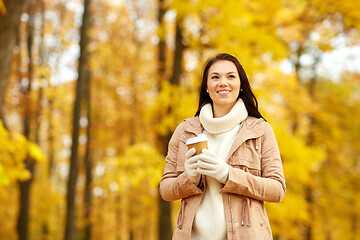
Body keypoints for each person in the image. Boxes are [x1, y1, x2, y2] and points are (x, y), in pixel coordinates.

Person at [159, 53, 286, 240]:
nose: (223, 82)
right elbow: (166, 190)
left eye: (231, 76)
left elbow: (277, 190)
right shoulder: (185, 130)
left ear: (241, 85)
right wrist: (190, 178)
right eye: (215, 77)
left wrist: (228, 175)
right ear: (207, 87)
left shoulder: (260, 130)